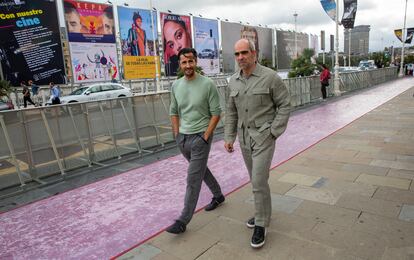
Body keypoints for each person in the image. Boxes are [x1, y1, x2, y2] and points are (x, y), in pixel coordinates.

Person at [224, 39, 290, 248]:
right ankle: (261, 212)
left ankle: (261, 223)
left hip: (263, 137)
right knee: (255, 181)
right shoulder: (233, 81)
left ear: (254, 53)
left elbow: (285, 104)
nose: (240, 57)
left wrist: (273, 132)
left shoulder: (270, 77)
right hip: (244, 139)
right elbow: (231, 112)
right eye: (237, 54)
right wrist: (229, 137)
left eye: (244, 53)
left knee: (259, 180)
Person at [167, 48, 224, 234]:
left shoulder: (208, 84)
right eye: (184, 62)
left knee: (193, 178)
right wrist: (177, 135)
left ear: (196, 61)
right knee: (200, 170)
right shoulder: (176, 85)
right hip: (183, 138)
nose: (188, 65)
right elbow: (173, 111)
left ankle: (183, 220)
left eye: (191, 61)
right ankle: (218, 195)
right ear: (180, 64)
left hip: (201, 137)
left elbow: (216, 113)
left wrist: (206, 136)